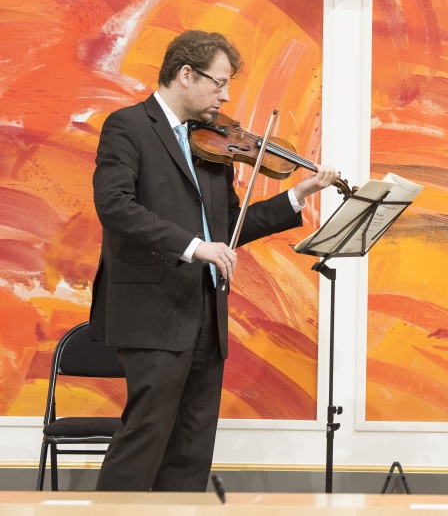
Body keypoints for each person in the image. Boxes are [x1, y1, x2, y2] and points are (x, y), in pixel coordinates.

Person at [90, 30, 338, 491]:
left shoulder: (212, 145)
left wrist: (297, 196)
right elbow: (116, 206)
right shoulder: (127, 126)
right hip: (153, 312)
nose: (225, 97)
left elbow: (226, 228)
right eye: (219, 83)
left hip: (205, 312)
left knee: (191, 449)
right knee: (145, 438)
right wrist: (193, 246)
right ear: (186, 74)